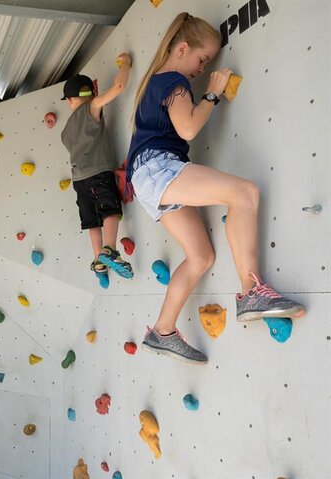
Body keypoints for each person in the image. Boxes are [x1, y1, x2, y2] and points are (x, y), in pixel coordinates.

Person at [126, 12, 305, 364]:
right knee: (244, 194)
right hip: (157, 167)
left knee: (201, 257)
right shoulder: (173, 81)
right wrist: (211, 93)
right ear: (181, 48)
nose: (202, 67)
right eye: (201, 58)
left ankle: (162, 330)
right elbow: (189, 129)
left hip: (146, 176)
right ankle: (252, 293)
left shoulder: (154, 84)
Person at [60, 54, 134, 288]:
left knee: (92, 221)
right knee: (110, 210)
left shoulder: (66, 130)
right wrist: (125, 65)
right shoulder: (92, 107)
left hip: (79, 181)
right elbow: (119, 87)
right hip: (98, 173)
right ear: (90, 95)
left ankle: (99, 265)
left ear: (70, 100)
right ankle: (109, 250)